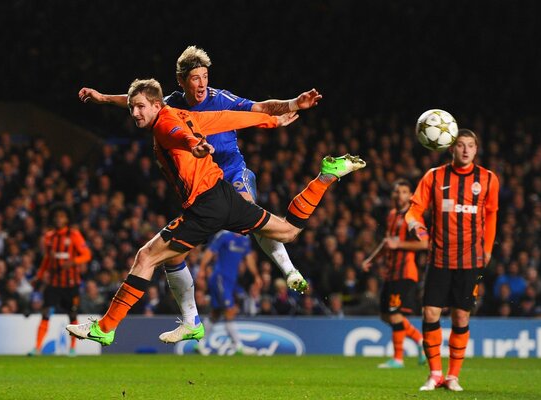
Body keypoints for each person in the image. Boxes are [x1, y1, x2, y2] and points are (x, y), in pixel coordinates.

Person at [66, 78, 365, 346]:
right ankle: (327, 175)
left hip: (205, 207)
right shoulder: (185, 114)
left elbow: (180, 136)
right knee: (288, 231)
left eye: (140, 108)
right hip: (224, 195)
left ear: (158, 105)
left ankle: (106, 327)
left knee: (146, 257)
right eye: (132, 108)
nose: (135, 114)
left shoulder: (165, 124)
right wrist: (271, 121)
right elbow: (225, 119)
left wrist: (194, 146)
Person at [79, 45, 321, 297]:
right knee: (174, 255)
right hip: (202, 185)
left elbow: (260, 108)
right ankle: (189, 319)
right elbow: (139, 102)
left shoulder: (221, 98)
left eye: (205, 76)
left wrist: (294, 103)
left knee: (249, 208)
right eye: (196, 78)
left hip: (231, 171)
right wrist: (103, 98)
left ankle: (289, 270)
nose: (203, 83)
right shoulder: (170, 104)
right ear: (181, 81)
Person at [406, 129, 499, 391]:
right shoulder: (434, 176)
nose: (466, 150)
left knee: (461, 317)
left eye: (471, 145)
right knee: (430, 312)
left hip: (470, 260)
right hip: (439, 257)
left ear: (477, 149)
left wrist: (489, 248)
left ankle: (453, 376)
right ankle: (435, 373)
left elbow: (491, 215)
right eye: (461, 145)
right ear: (451, 148)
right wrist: (418, 227)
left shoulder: (488, 179)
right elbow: (414, 210)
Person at [362, 179, 427, 369]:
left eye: (404, 192)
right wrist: (371, 259)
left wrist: (400, 244)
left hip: (405, 273)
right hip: (391, 273)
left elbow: (424, 243)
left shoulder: (413, 217)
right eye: (397, 192)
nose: (400, 196)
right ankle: (419, 339)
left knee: (395, 314)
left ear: (410, 195)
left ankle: (398, 359)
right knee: (385, 315)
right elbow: (387, 242)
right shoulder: (391, 215)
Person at [29, 203, 92, 355]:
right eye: (56, 216)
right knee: (46, 312)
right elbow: (47, 259)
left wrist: (73, 262)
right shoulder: (49, 237)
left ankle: (72, 348)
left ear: (67, 219)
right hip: (54, 283)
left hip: (71, 283)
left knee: (72, 315)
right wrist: (39, 276)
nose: (59, 219)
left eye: (62, 216)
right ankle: (37, 348)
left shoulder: (74, 235)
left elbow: (87, 254)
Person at [196, 230, 262, 355]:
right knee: (230, 310)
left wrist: (256, 276)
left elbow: (249, 259)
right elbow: (210, 251)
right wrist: (202, 269)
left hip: (231, 281)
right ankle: (238, 346)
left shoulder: (245, 239)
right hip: (220, 278)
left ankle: (200, 344)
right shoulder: (224, 235)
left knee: (216, 313)